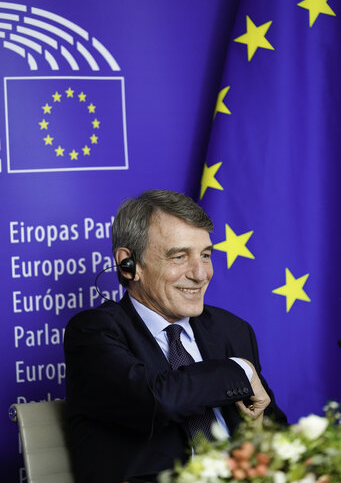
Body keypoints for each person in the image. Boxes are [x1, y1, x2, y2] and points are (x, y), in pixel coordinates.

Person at [64, 190, 286, 483]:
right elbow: (155, 400)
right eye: (179, 256)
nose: (200, 273)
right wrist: (241, 370)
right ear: (129, 265)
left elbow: (277, 432)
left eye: (205, 255)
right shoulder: (92, 332)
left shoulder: (230, 329)